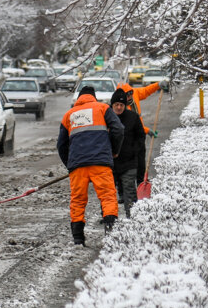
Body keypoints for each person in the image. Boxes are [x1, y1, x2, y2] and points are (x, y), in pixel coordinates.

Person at [57, 84, 124, 245]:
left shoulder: (69, 115)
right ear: (93, 97)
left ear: (79, 98)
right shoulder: (102, 108)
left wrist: (70, 164)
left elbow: (61, 144)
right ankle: (110, 232)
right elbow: (119, 129)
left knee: (78, 200)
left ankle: (78, 238)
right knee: (107, 196)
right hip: (100, 163)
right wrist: (114, 151)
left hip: (77, 166)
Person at [108, 88, 146, 218]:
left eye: (121, 105)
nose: (119, 107)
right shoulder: (105, 117)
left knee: (129, 191)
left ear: (125, 105)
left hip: (128, 162)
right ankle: (110, 218)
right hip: (110, 163)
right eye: (116, 105)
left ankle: (132, 218)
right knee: (109, 193)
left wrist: (133, 150)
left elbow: (141, 137)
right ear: (112, 105)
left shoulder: (133, 118)